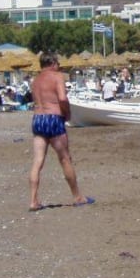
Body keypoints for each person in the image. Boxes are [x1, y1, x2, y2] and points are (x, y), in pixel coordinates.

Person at [29, 51, 93, 212]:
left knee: (37, 161)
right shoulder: (57, 76)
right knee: (65, 158)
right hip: (53, 118)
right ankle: (77, 197)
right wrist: (67, 112)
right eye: (58, 64)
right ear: (52, 63)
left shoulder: (35, 80)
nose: (59, 66)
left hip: (38, 119)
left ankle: (33, 200)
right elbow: (62, 98)